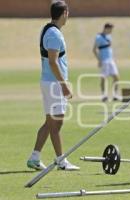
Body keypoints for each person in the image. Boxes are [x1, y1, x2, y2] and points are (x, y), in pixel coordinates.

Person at [27, 1, 79, 171]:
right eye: (68, 12)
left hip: (50, 82)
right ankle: (61, 161)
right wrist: (64, 84)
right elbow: (53, 61)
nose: (68, 16)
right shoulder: (55, 34)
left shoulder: (47, 29)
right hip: (54, 84)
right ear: (64, 13)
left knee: (50, 123)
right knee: (56, 124)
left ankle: (34, 157)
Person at [93, 23, 121, 102]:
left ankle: (115, 95)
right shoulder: (98, 37)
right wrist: (99, 60)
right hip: (104, 61)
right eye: (110, 29)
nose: (111, 31)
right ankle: (104, 96)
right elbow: (94, 50)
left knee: (116, 77)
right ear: (106, 28)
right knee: (103, 78)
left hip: (111, 60)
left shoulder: (109, 37)